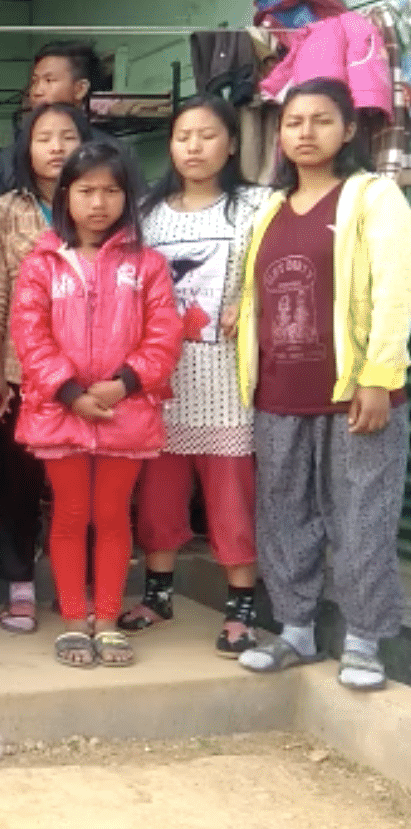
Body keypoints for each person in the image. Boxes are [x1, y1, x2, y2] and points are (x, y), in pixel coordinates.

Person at [233, 78, 411, 692]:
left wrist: (380, 378)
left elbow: (395, 290)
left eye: (320, 121)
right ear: (278, 135)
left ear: (348, 130)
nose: (305, 133)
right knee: (284, 516)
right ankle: (296, 631)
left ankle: (363, 640)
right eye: (293, 122)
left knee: (362, 517)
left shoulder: (373, 197)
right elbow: (256, 295)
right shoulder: (269, 210)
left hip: (355, 393)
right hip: (280, 392)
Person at [10, 141, 182, 669]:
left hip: (123, 412)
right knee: (69, 515)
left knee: (111, 517)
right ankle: (71, 621)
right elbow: (29, 333)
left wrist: (123, 384)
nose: (98, 202)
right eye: (86, 190)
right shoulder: (43, 264)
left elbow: (165, 333)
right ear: (66, 196)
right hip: (61, 412)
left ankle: (105, 620)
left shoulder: (147, 265)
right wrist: (70, 393)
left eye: (111, 191)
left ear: (128, 198)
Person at [119, 96, 269, 657]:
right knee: (157, 501)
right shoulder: (146, 213)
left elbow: (276, 274)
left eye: (208, 136)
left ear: (230, 144)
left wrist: (249, 304)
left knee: (232, 503)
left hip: (229, 386)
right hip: (161, 388)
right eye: (184, 136)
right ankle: (158, 596)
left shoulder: (256, 206)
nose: (195, 147)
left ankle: (241, 609)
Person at [0, 102, 89, 634]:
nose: (56, 147)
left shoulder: (98, 202)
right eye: (44, 137)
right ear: (26, 147)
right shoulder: (2, 211)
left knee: (78, 483)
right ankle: (20, 585)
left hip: (91, 371)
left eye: (67, 136)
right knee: (19, 481)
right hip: (24, 372)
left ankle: (80, 583)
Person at [0, 41, 142, 218]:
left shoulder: (115, 153)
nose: (37, 91)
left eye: (49, 80)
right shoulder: (9, 159)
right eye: (35, 82)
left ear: (80, 89)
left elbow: (139, 211)